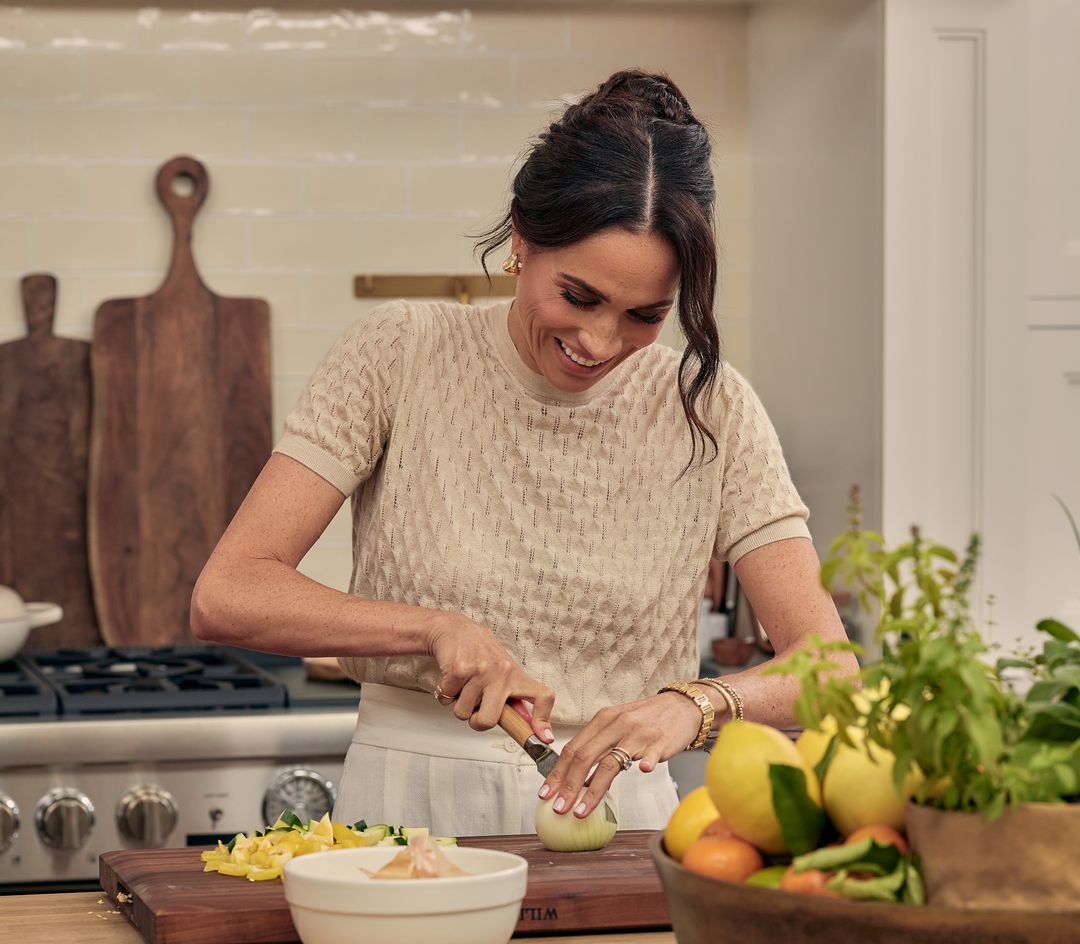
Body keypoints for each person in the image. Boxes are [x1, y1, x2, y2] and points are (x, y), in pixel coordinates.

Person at [191, 69, 855, 837]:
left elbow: (830, 671)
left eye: (646, 315)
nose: (600, 343)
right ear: (520, 240)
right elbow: (229, 592)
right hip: (409, 811)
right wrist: (432, 628)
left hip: (626, 821)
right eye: (578, 297)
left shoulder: (712, 406)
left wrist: (698, 703)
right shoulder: (401, 354)